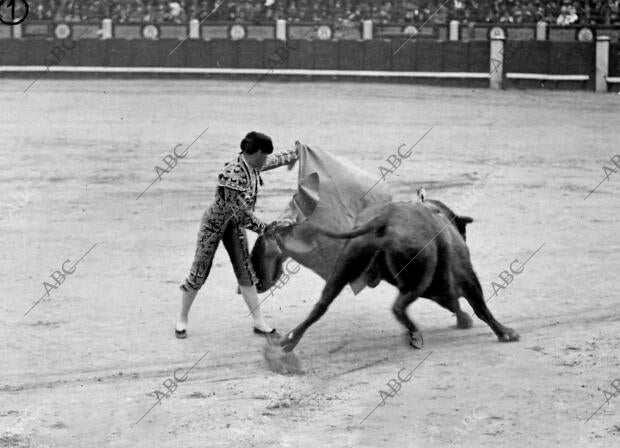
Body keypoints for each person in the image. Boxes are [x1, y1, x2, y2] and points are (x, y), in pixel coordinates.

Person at [175, 131, 298, 339]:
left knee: (246, 271)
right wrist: (265, 229)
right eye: (264, 155)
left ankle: (259, 321)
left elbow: (275, 160)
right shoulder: (231, 173)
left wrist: (297, 153)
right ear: (256, 153)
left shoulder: (252, 163)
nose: (266, 159)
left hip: (234, 226)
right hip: (215, 224)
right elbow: (239, 213)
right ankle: (182, 319)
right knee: (199, 270)